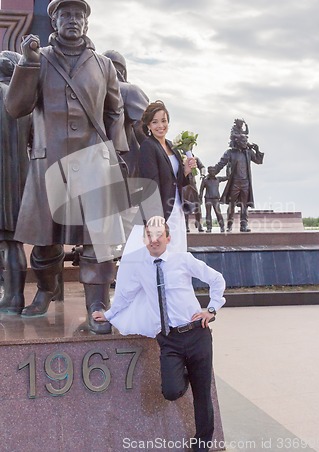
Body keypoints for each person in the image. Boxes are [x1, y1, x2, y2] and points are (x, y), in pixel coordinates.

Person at [5, 0, 128, 334]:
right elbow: (16, 108)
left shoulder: (102, 65)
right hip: (50, 162)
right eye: (66, 15)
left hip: (93, 160)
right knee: (45, 241)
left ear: (87, 23)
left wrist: (116, 150)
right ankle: (45, 291)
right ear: (55, 22)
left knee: (96, 240)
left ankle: (97, 306)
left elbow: (115, 111)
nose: (73, 20)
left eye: (78, 15)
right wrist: (27, 64)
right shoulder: (39, 59)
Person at [93, 220, 226, 452]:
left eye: (158, 234)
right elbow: (126, 295)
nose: (153, 239)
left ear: (168, 238)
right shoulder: (140, 266)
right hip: (169, 339)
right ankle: (183, 371)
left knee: (202, 393)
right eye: (149, 235)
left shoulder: (183, 260)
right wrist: (108, 315)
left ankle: (203, 443)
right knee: (171, 391)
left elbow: (216, 279)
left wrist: (212, 309)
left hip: (197, 334)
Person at [138, 100, 196, 252]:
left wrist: (186, 170)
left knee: (179, 254)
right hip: (162, 213)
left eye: (163, 121)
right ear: (148, 126)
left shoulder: (173, 146)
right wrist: (156, 220)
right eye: (155, 122)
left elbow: (176, 181)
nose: (160, 126)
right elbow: (151, 185)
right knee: (164, 257)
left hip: (177, 209)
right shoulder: (148, 147)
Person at [0, 51, 31, 314]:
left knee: (6, 242)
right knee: (13, 242)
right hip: (22, 180)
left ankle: (10, 298)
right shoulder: (25, 102)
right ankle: (14, 298)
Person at [103, 50, 148, 177]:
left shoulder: (88, 91)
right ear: (123, 72)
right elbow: (144, 129)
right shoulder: (128, 90)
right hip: (125, 166)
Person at [214, 119, 264, 232]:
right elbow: (220, 164)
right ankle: (230, 224)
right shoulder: (230, 153)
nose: (246, 143)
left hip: (245, 182)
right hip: (235, 182)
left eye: (246, 141)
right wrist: (211, 174)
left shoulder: (248, 153)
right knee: (231, 205)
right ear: (238, 142)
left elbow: (259, 161)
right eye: (244, 141)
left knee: (244, 205)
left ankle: (243, 225)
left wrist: (257, 150)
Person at [199, 166, 228, 233]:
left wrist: (228, 168)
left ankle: (222, 227)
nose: (213, 172)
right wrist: (200, 198)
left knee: (218, 213)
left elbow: (227, 177)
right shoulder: (205, 180)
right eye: (211, 171)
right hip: (208, 199)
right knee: (208, 214)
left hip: (216, 199)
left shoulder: (218, 179)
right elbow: (201, 190)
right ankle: (209, 227)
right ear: (209, 172)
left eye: (214, 171)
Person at [183, 154, 205, 233]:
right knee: (185, 205)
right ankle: (185, 225)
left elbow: (202, 167)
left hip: (193, 184)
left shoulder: (195, 158)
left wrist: (203, 174)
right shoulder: (181, 157)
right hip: (184, 184)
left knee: (197, 204)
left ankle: (199, 223)